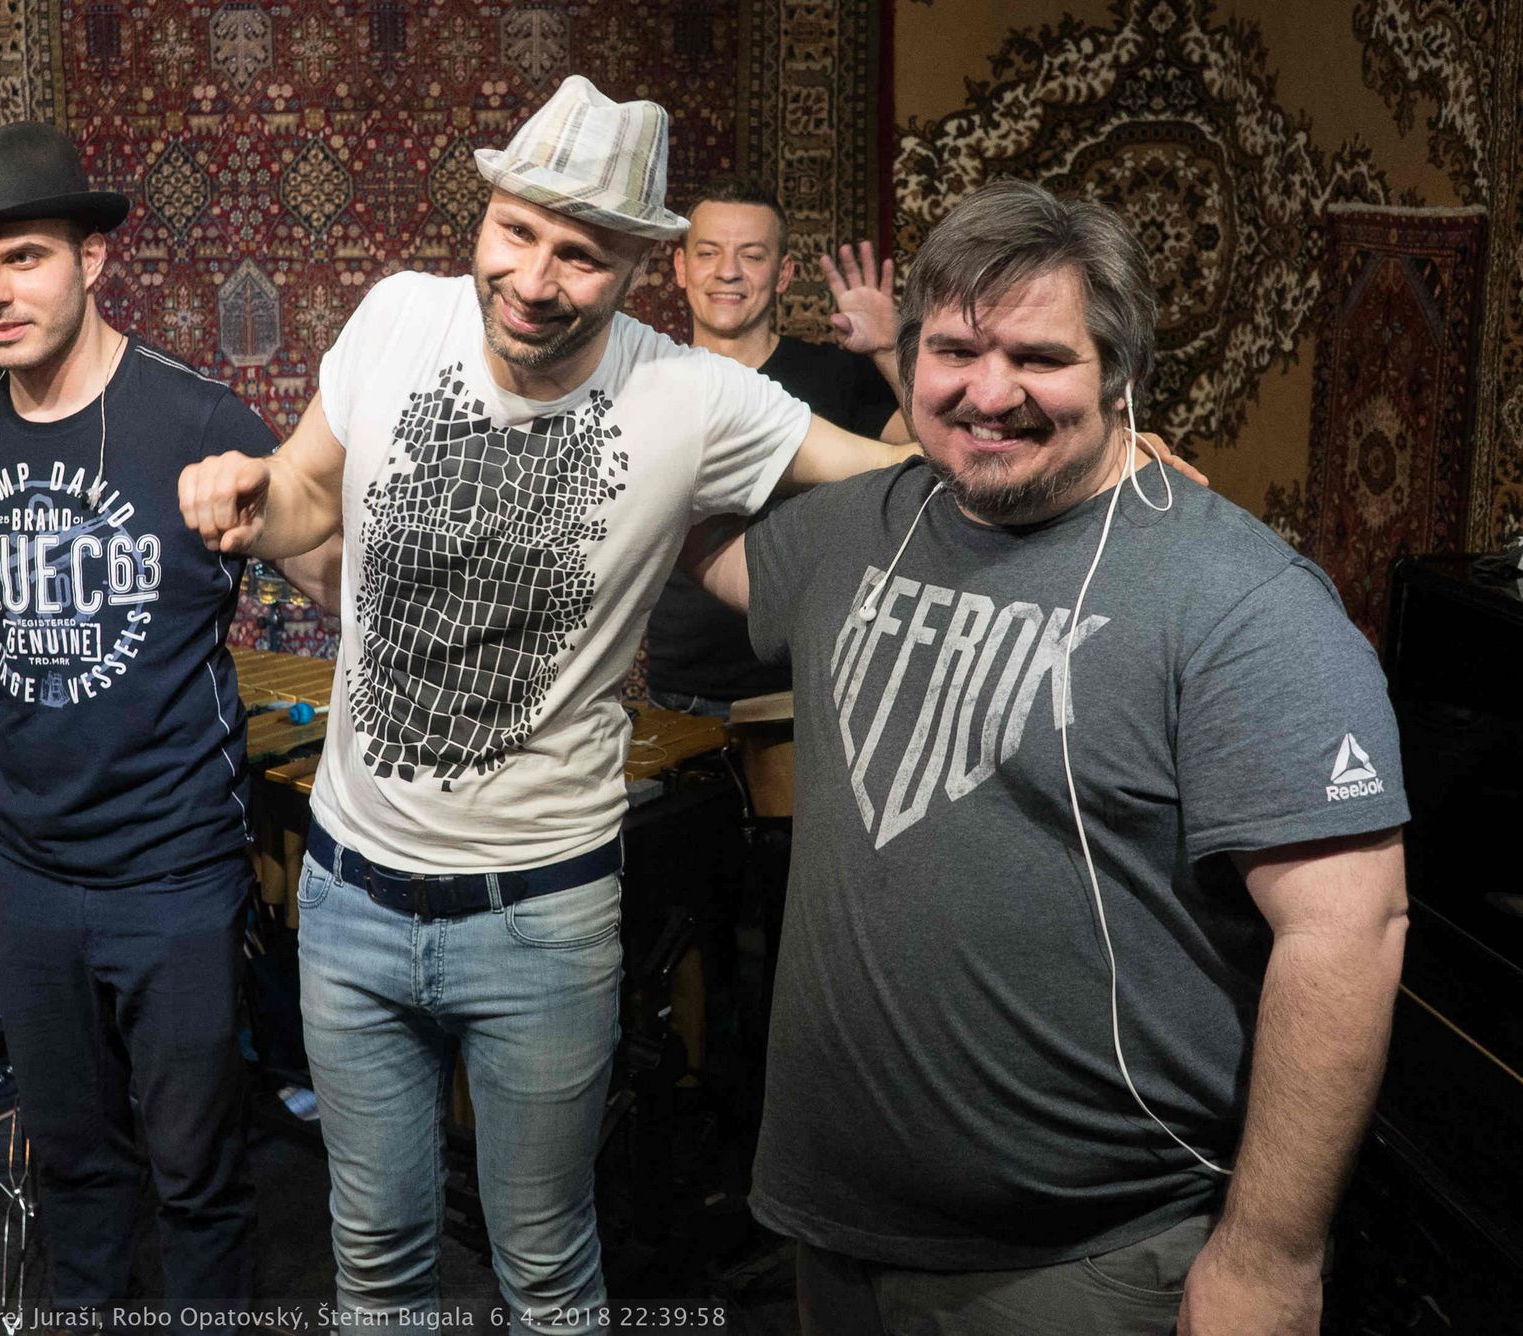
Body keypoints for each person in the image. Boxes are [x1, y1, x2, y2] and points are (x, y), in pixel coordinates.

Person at [175, 76, 933, 1331]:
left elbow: (888, 476)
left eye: (578, 254)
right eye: (514, 231)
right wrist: (257, 498)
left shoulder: (693, 397)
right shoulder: (396, 316)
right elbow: (310, 488)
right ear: (483, 215)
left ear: (639, 266)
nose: (531, 278)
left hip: (539, 918)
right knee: (373, 1255)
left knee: (542, 1265)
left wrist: (1075, 455)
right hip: (350, 898)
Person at [686, 178, 1409, 1335]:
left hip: (1083, 1259)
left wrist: (1269, 1256)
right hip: (834, 1224)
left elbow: (1345, 931)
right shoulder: (863, 523)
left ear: (1121, 372)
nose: (988, 392)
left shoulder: (1239, 600)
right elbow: (666, 514)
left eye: (1037, 356)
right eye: (953, 350)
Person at [0, 121, 278, 1328]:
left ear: (92, 258)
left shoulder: (198, 417)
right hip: (30, 871)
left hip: (176, 866)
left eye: (24, 257)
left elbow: (331, 567)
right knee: (72, 1161)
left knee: (197, 1170)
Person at [647, 177, 909, 717]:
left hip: (811, 690)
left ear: (784, 273)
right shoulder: (647, 381)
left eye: (752, 255)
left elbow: (934, 449)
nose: (728, 271)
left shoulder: (837, 373)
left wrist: (890, 349)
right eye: (708, 253)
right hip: (681, 690)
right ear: (681, 268)